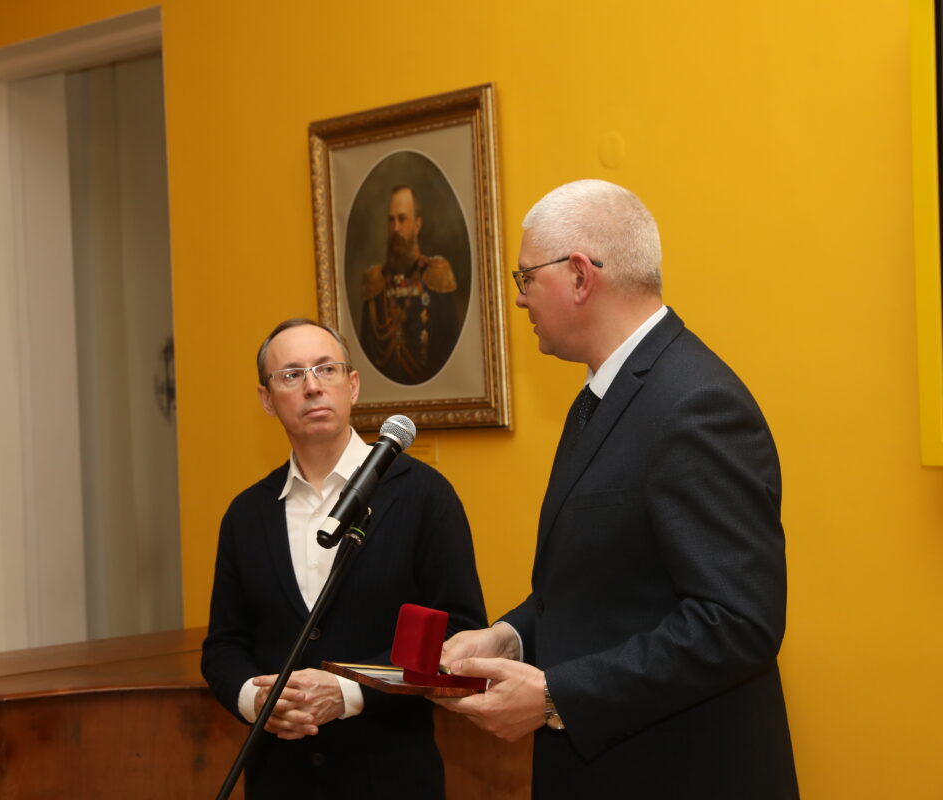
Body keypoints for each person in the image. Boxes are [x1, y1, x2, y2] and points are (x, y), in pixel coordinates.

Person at [433, 180, 798, 798]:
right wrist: (511, 635)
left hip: (677, 772)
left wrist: (555, 695)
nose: (519, 298)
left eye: (526, 278)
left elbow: (737, 623)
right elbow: (607, 586)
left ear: (580, 276)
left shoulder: (694, 403)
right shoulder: (607, 394)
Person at [202, 318, 486, 799]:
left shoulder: (423, 496)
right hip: (279, 780)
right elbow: (223, 646)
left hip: (393, 778)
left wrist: (350, 691)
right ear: (267, 399)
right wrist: (255, 700)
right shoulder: (246, 514)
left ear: (352, 385)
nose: (312, 386)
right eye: (291, 375)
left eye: (326, 369)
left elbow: (459, 634)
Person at [359, 186, 461, 384]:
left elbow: (449, 351)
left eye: (402, 219)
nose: (396, 228)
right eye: (391, 220)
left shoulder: (437, 275)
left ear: (417, 225)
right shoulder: (375, 283)